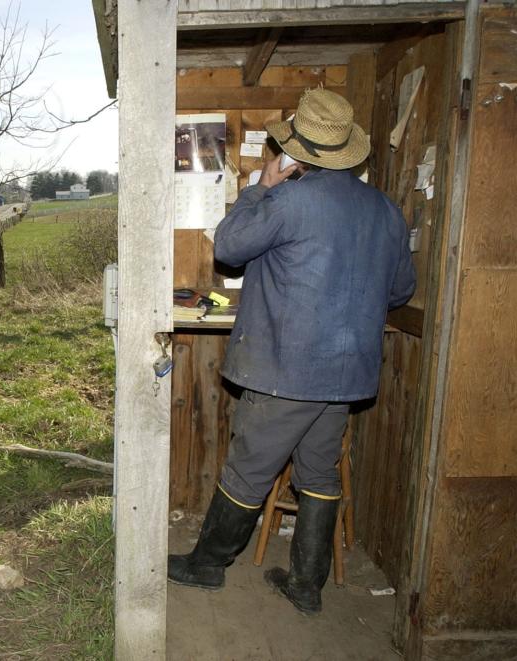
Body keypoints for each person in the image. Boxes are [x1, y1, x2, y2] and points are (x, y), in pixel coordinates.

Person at [167, 88, 416, 615]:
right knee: (319, 472)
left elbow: (229, 249)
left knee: (248, 469)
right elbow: (399, 291)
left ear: (296, 150)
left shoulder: (287, 200)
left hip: (288, 370)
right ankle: (306, 584)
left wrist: (259, 189)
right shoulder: (387, 212)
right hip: (348, 375)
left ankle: (208, 565)